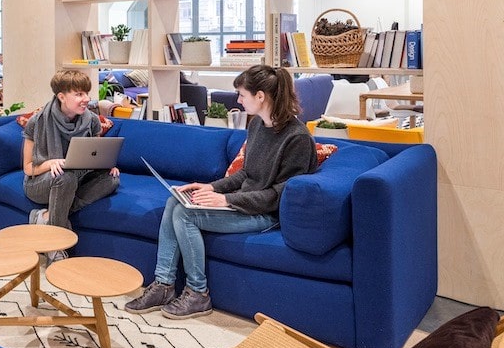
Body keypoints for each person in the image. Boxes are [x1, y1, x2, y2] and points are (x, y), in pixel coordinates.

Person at [125, 65, 317, 319]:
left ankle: (198, 293)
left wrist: (226, 200)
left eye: (242, 95)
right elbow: (247, 174)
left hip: (265, 214)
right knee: (174, 201)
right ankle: (163, 285)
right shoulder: (258, 126)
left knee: (185, 215)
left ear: (260, 96)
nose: (238, 100)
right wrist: (211, 187)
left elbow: (278, 196)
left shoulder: (297, 138)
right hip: (244, 204)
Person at [23, 70, 120, 263]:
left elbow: (93, 155)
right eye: (79, 94)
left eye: (86, 93)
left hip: (77, 178)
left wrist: (107, 165)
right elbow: (28, 168)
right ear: (61, 96)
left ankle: (46, 216)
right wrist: (49, 163)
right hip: (39, 183)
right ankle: (55, 247)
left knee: (112, 180)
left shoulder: (92, 120)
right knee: (64, 177)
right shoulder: (37, 121)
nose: (86, 99)